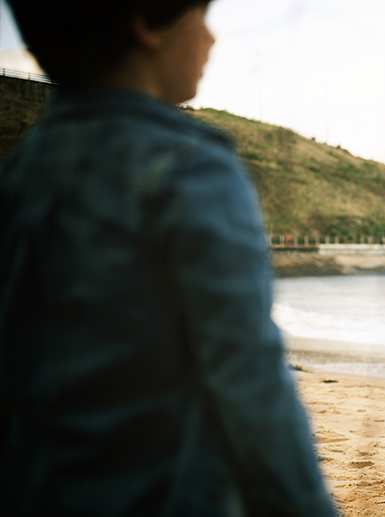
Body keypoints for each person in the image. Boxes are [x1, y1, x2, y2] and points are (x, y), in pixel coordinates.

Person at [0, 1, 337, 515]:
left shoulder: (23, 166)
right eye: (201, 16)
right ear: (144, 24)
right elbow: (248, 374)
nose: (211, 39)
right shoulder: (190, 165)